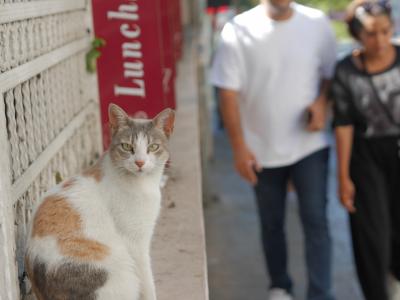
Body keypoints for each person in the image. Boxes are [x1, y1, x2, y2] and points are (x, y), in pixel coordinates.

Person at [210, 1, 337, 299]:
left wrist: (322, 104)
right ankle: (280, 285)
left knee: (316, 219)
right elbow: (227, 92)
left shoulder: (317, 23)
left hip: (310, 145)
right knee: (271, 222)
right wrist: (239, 148)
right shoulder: (238, 30)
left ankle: (321, 293)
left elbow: (330, 75)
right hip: (260, 148)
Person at [331, 1, 400, 299]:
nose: (380, 40)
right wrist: (343, 177)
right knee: (372, 235)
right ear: (358, 34)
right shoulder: (346, 71)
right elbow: (343, 124)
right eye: (372, 34)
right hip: (366, 157)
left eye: (386, 31)